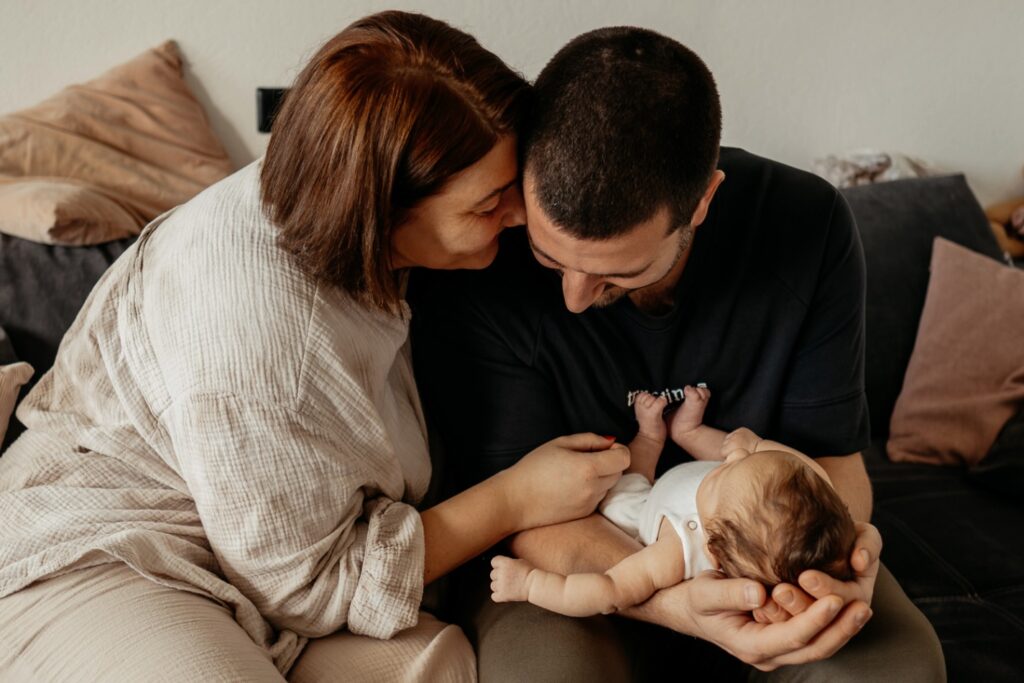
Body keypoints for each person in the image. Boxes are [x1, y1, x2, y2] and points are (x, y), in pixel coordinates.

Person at [0, 12, 631, 682]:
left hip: (253, 574)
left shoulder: (332, 206)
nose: (517, 215)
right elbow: (305, 588)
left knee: (442, 666)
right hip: (105, 556)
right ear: (382, 206)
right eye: (489, 204)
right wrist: (514, 497)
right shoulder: (268, 337)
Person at [408, 26, 945, 681]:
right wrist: (673, 602)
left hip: (764, 558)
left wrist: (831, 572)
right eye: (551, 258)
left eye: (618, 273)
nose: (575, 298)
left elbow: (837, 464)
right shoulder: (482, 259)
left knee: (897, 670)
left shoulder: (806, 225)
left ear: (701, 204)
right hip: (568, 561)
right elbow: (516, 520)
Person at [489, 385, 857, 617]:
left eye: (723, 476)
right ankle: (687, 431)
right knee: (752, 467)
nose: (730, 460)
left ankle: (650, 438)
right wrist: (756, 447)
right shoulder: (743, 494)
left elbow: (607, 592)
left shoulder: (679, 549)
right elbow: (806, 470)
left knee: (622, 491)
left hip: (648, 508)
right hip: (686, 483)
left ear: (714, 546)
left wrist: (530, 584)